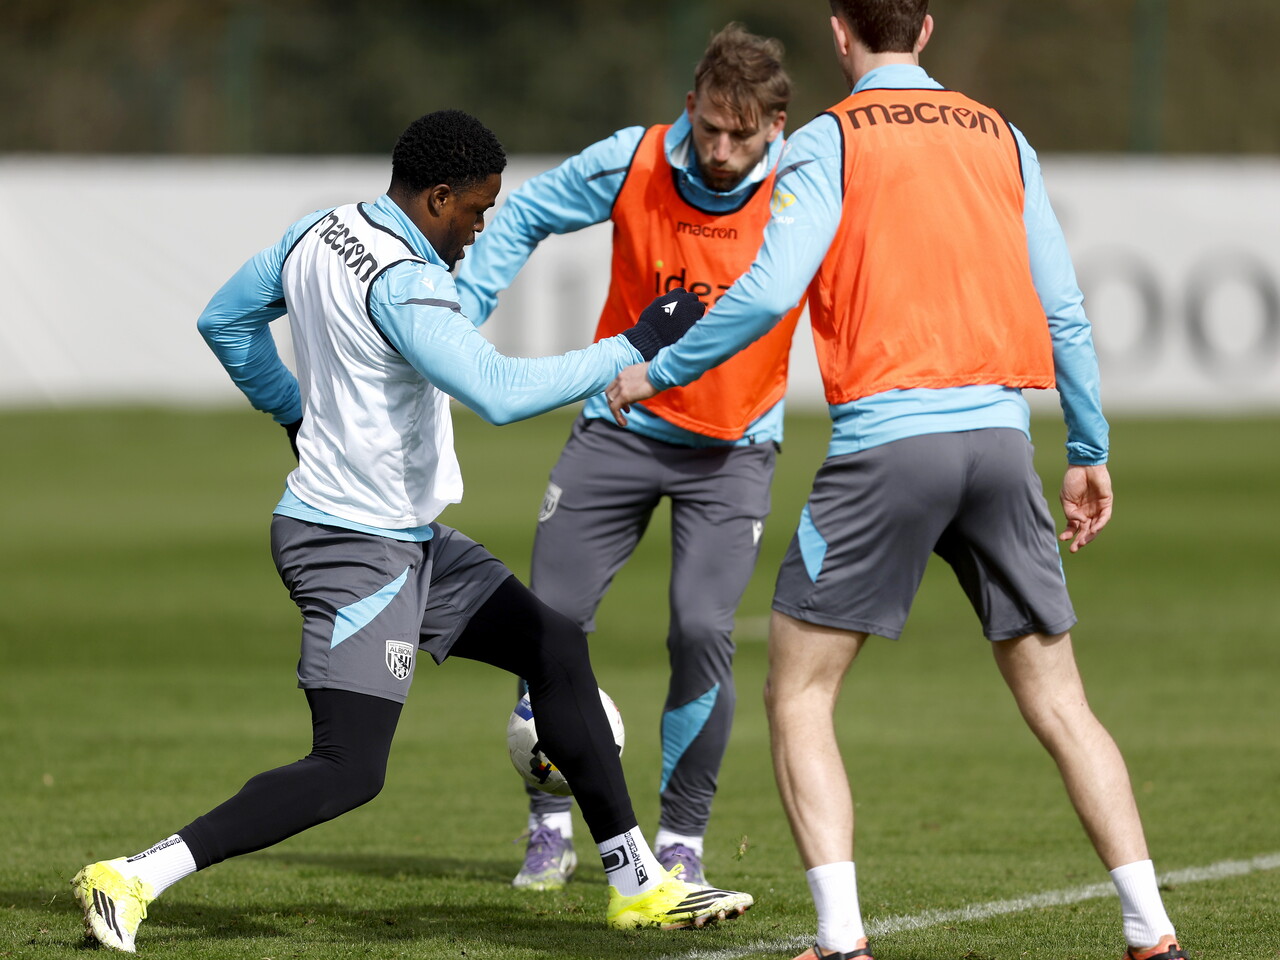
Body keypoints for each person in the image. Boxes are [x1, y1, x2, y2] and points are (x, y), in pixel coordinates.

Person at [69, 108, 755, 955]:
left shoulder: (320, 230)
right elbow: (498, 392)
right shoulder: (408, 280)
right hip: (354, 548)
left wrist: (291, 411)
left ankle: (637, 882)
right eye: (476, 209)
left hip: (410, 539)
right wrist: (632, 346)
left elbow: (226, 320)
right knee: (349, 768)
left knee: (554, 646)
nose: (481, 227)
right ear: (436, 199)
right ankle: (135, 875)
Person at [605, 4, 1188, 960]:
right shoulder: (1003, 134)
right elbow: (1064, 305)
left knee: (799, 694)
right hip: (1002, 445)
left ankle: (842, 942)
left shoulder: (829, 139)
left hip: (888, 449)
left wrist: (657, 367)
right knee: (1061, 702)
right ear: (924, 27)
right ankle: (1151, 929)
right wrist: (1088, 447)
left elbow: (764, 291)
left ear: (840, 34)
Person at [453, 22, 804, 893]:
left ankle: (680, 839)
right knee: (547, 627)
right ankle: (548, 826)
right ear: (689, 107)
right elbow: (528, 211)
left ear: (775, 124)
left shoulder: (811, 185)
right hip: (616, 430)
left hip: (733, 451)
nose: (720, 151)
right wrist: (459, 309)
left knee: (700, 631)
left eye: (741, 133)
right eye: (708, 127)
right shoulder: (635, 159)